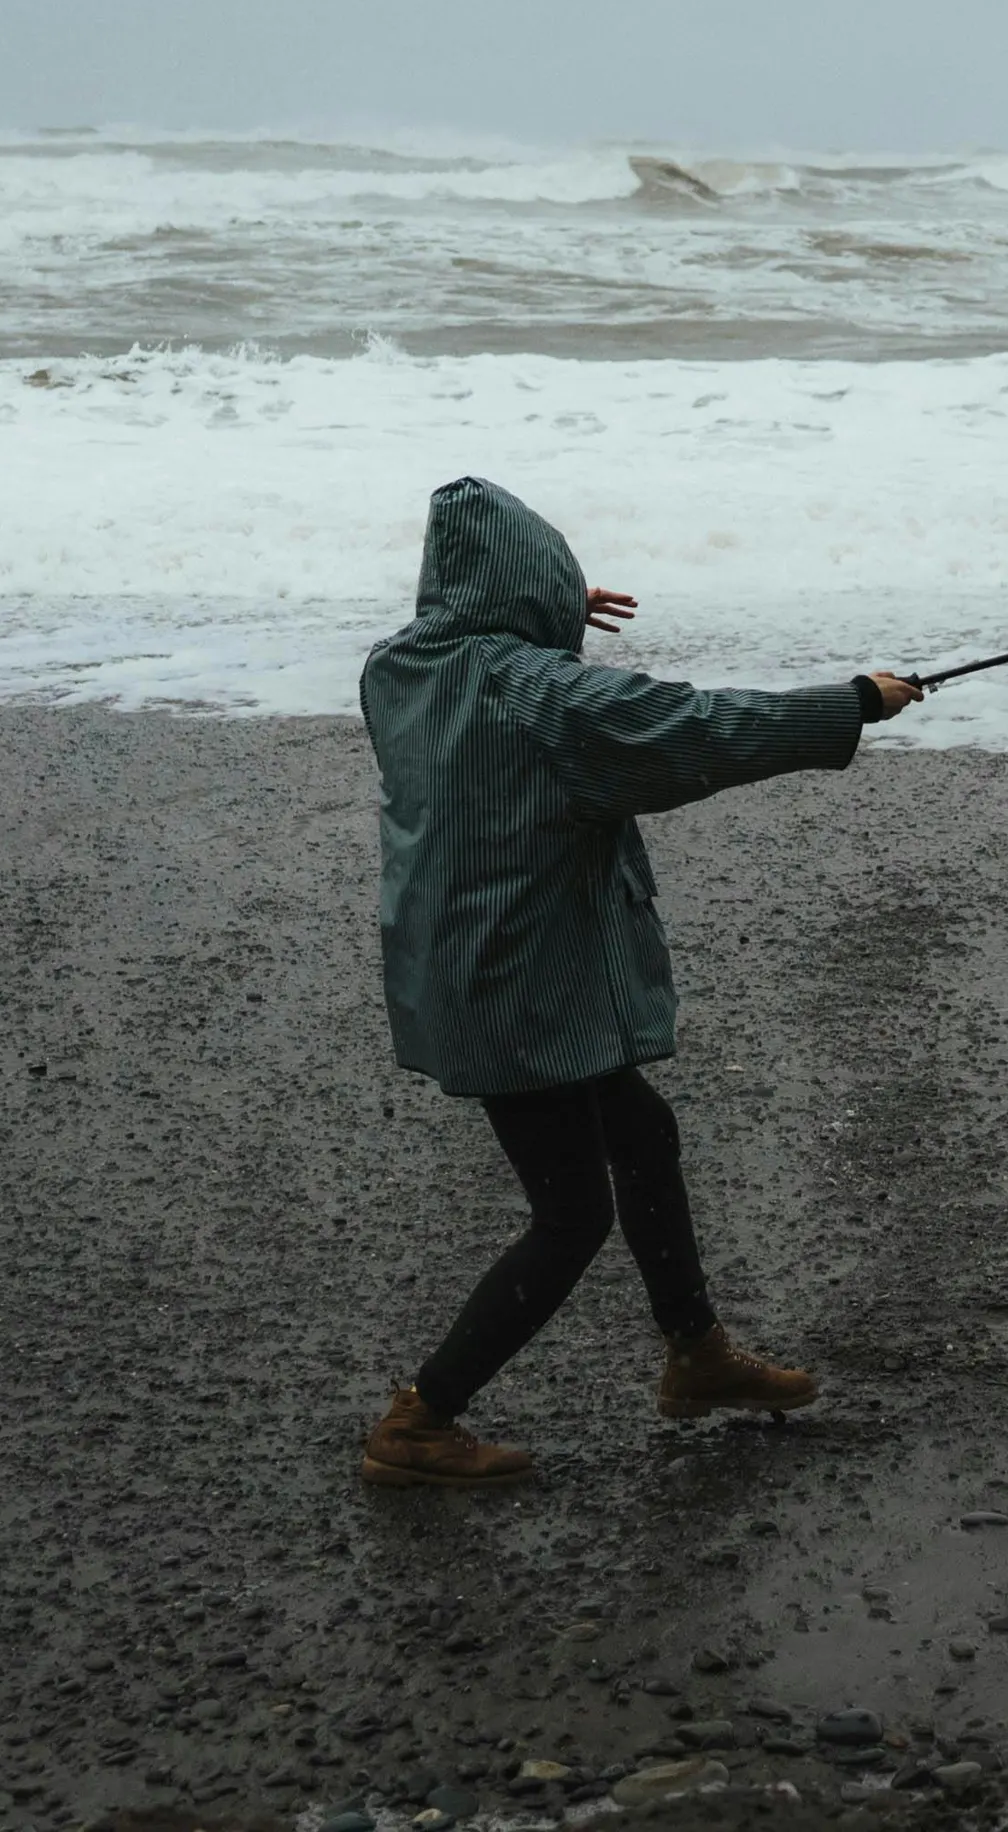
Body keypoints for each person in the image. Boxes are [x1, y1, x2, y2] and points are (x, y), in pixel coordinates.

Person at [354, 476, 924, 1487]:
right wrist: (850, 705)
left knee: (640, 1131)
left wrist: (542, 612)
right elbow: (695, 728)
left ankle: (695, 1355)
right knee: (570, 1214)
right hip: (517, 989)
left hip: (468, 967)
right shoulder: (539, 695)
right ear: (524, 591)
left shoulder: (399, 671)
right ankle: (420, 1417)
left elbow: (489, 658)